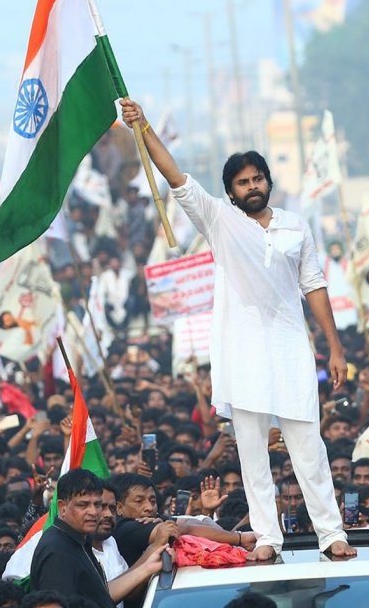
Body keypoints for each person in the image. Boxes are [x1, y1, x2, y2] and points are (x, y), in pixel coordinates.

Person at [121, 98, 356, 560]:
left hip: (291, 348)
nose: (252, 187)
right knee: (251, 450)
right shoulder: (219, 221)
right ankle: (268, 537)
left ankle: (331, 534)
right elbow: (174, 175)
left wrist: (336, 348)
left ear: (268, 182)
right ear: (231, 192)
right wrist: (143, 125)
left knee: (308, 445)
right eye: (243, 182)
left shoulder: (296, 227)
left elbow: (315, 286)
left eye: (257, 179)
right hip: (241, 353)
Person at [30, 468, 171, 607]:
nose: (93, 512)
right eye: (83, 505)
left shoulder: (81, 540)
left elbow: (102, 595)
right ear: (62, 507)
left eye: (97, 504)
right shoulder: (57, 551)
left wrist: (148, 565)